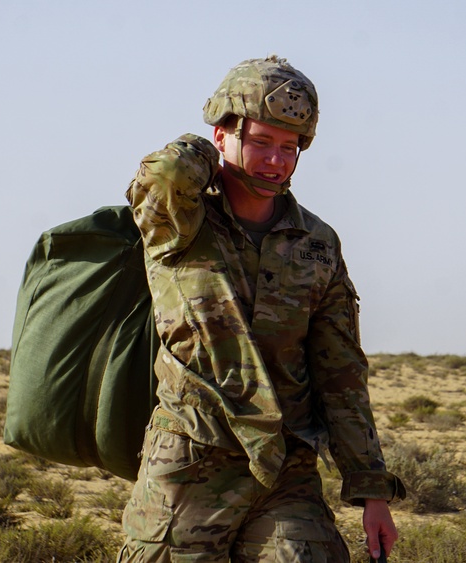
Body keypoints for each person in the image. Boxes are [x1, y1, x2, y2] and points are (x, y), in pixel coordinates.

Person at [117, 55, 405, 562]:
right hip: (190, 464)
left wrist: (371, 489)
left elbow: (340, 373)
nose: (277, 160)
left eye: (290, 147)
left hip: (284, 471)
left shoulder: (316, 243)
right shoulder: (179, 224)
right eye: (261, 142)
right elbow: (164, 175)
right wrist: (204, 151)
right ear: (223, 134)